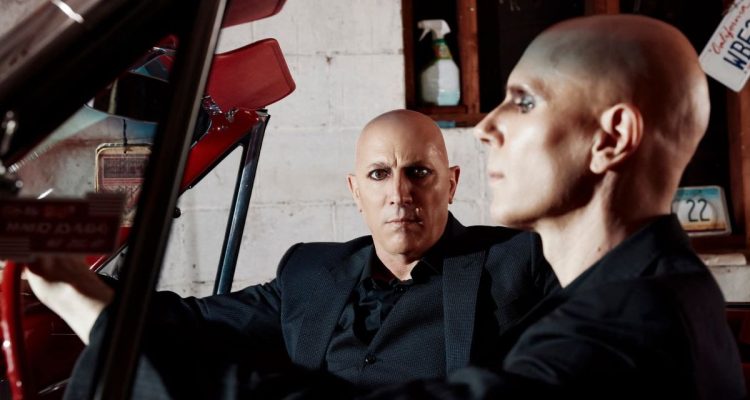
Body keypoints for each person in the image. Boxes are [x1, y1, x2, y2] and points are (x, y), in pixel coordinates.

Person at [25, 109, 554, 398]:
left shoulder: (517, 260)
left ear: (451, 184)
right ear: (355, 192)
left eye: (418, 172)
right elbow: (192, 320)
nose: (399, 193)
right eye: (379, 174)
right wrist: (65, 276)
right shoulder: (312, 270)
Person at [362, 14, 746, 400]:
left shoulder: (627, 318)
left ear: (612, 138)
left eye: (525, 102)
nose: (485, 128)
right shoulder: (658, 289)